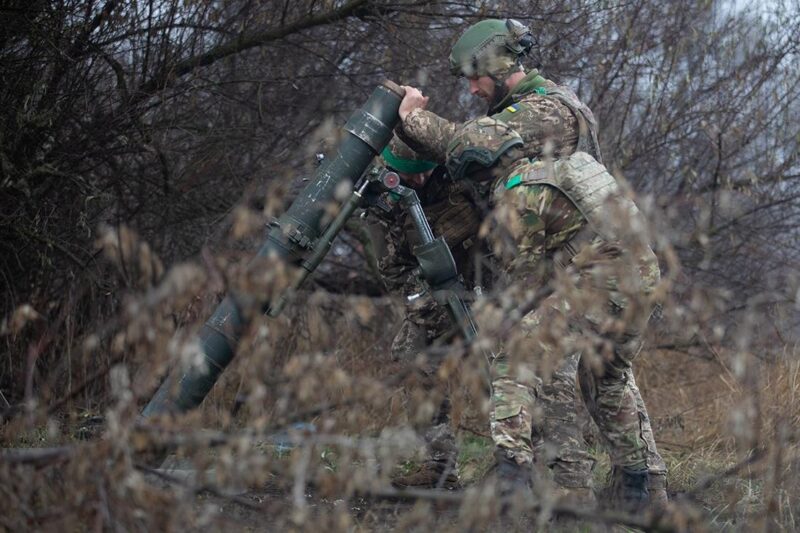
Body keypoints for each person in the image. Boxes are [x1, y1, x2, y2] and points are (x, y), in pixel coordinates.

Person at [396, 18, 667, 507]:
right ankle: (638, 489)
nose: (473, 89)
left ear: (501, 66)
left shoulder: (547, 112)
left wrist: (411, 119)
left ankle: (557, 489)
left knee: (533, 361)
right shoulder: (537, 112)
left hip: (585, 273)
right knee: (604, 377)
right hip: (614, 269)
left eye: (477, 77)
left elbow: (470, 146)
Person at [373, 136, 488, 489]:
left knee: (503, 374)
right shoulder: (387, 200)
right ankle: (439, 467)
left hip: (488, 290)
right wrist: (426, 302)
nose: (420, 180)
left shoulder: (463, 180)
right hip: (434, 298)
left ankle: (522, 465)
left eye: (425, 171)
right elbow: (393, 268)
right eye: (411, 174)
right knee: (412, 356)